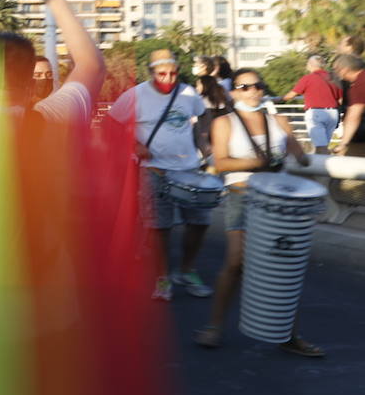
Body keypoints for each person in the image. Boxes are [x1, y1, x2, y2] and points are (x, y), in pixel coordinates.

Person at [194, 68, 322, 356]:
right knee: (236, 261)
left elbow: (300, 159)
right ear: (234, 91)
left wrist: (293, 143)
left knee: (284, 266)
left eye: (258, 86)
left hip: (277, 201)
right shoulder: (224, 122)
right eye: (245, 86)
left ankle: (289, 334)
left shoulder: (279, 120)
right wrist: (256, 160)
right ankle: (214, 326)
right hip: (242, 196)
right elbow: (222, 163)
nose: (253, 91)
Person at [109, 49, 212, 301]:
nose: (168, 78)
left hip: (189, 168)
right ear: (151, 72)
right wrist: (133, 145)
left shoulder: (188, 92)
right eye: (162, 74)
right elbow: (111, 124)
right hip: (154, 171)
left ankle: (186, 270)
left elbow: (204, 114)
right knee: (159, 228)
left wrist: (203, 140)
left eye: (173, 73)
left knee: (199, 222)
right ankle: (162, 278)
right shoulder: (135, 95)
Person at [280, 55, 343, 151]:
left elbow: (290, 95)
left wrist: (277, 99)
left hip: (316, 114)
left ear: (310, 65)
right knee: (324, 145)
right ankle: (322, 163)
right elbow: (340, 99)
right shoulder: (334, 78)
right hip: (333, 114)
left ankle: (324, 165)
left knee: (321, 147)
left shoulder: (308, 78)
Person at [331, 54, 365, 156]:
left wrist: (343, 144)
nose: (335, 74)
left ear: (344, 70)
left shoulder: (360, 85)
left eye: (336, 70)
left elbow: (353, 116)